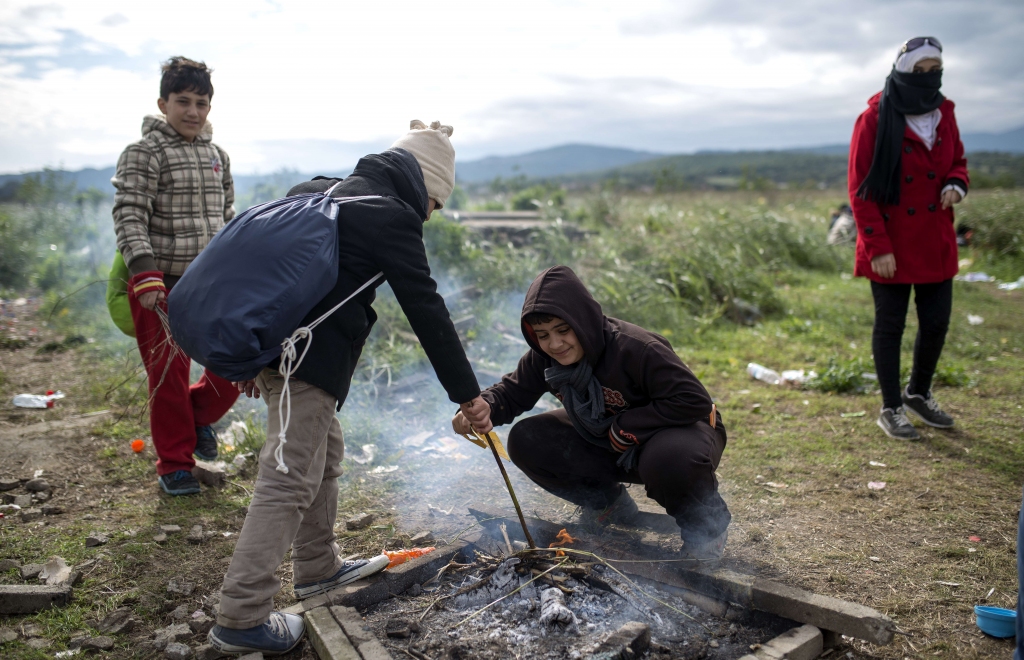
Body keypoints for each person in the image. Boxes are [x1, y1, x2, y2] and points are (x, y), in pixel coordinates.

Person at [206, 121, 493, 656]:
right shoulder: (391, 217)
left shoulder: (317, 190)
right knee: (288, 478)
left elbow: (267, 275)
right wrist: (467, 394)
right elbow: (426, 308)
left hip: (275, 352)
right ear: (421, 187)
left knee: (325, 452)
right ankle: (242, 615)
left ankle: (318, 569)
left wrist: (250, 355)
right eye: (434, 202)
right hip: (309, 362)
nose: (430, 214)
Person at [452, 266, 731, 559]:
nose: (555, 344)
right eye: (543, 335)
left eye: (563, 330)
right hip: (609, 438)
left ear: (582, 320)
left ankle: (706, 532)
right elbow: (511, 392)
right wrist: (486, 406)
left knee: (670, 459)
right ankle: (608, 505)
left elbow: (693, 399)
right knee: (527, 438)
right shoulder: (546, 358)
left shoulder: (636, 348)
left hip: (679, 431)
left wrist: (627, 426)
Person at [111, 57, 239, 495]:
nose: (192, 112)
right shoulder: (144, 153)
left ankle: (197, 416)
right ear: (162, 103)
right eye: (182, 101)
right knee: (167, 375)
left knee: (236, 364)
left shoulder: (217, 156)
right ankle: (174, 466)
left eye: (201, 103)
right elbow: (129, 214)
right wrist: (145, 274)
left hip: (209, 284)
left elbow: (227, 220)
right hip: (158, 283)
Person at [848, 37, 968, 440]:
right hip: (891, 244)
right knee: (891, 327)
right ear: (901, 69)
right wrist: (878, 246)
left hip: (935, 238)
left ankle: (917, 392)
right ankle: (891, 407)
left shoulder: (944, 113)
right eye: (919, 70)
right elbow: (859, 190)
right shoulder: (874, 119)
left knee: (936, 323)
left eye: (934, 69)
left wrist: (956, 183)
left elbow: (958, 163)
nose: (927, 77)